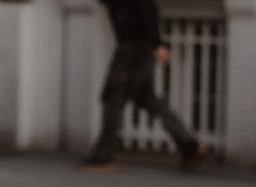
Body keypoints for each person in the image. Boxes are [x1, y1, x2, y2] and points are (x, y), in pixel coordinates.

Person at [83, 0, 208, 170]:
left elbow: (147, 9)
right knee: (146, 97)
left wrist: (157, 43)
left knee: (113, 96)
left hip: (133, 47)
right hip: (137, 46)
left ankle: (104, 156)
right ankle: (189, 145)